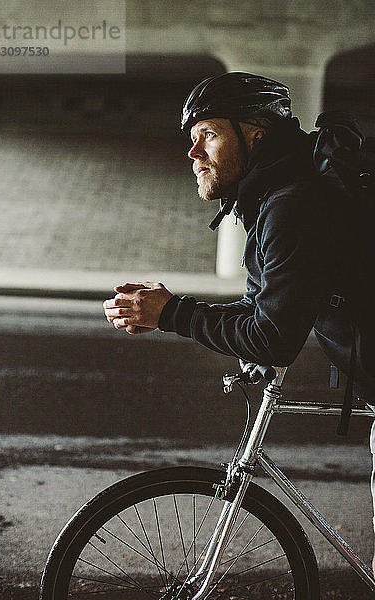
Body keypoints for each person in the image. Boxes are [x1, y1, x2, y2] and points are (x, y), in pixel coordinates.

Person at [103, 72, 375, 570]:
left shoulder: (292, 203)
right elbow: (264, 310)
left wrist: (172, 314)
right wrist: (169, 309)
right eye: (191, 139)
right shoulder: (277, 193)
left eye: (208, 133)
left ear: (256, 133)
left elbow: (272, 337)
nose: (193, 153)